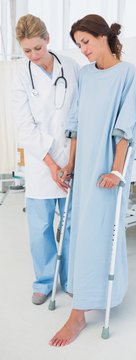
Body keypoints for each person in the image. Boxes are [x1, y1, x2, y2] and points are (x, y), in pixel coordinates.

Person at [49, 14, 136, 346]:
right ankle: (85, 297)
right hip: (86, 165)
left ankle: (79, 314)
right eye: (78, 45)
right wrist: (71, 164)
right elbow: (75, 123)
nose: (83, 50)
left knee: (101, 233)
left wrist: (117, 171)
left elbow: (125, 127)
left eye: (86, 42)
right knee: (79, 232)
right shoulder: (86, 77)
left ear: (103, 36)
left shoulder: (127, 74)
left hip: (108, 168)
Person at [12, 14, 80, 305]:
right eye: (26, 51)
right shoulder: (20, 76)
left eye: (37, 48)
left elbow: (79, 115)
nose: (33, 55)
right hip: (42, 165)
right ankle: (43, 282)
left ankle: (72, 278)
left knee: (72, 224)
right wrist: (52, 164)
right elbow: (24, 126)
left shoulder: (72, 66)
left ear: (48, 39)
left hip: (71, 159)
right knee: (40, 229)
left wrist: (70, 162)